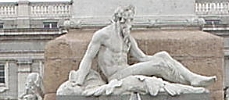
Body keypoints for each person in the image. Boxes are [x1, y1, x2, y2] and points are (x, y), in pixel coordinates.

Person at [70, 5, 216, 89]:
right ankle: (190, 85)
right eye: (128, 20)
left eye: (131, 20)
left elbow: (142, 57)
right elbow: (88, 58)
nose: (130, 24)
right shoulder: (102, 35)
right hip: (116, 76)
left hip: (126, 71)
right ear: (119, 20)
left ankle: (192, 78)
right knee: (160, 65)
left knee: (163, 55)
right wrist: (79, 82)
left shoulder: (127, 37)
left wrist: (160, 59)